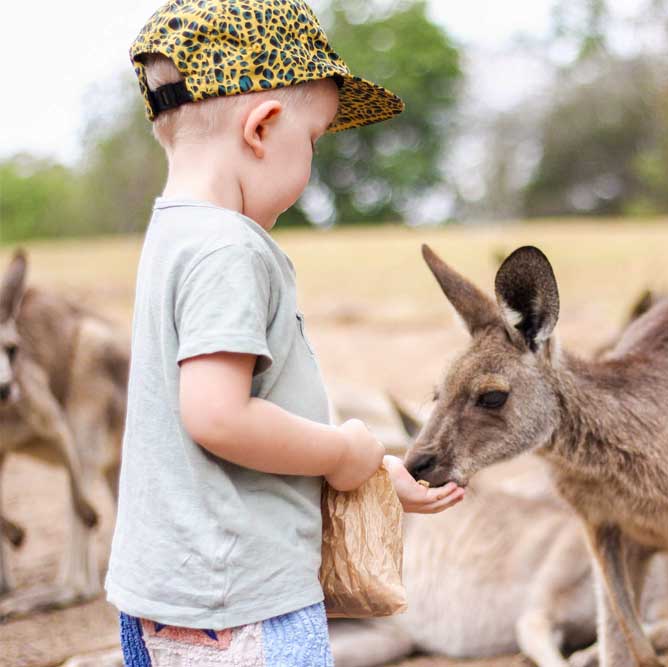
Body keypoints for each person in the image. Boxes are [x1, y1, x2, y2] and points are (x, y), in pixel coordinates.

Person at [106, 1, 464, 665]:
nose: (312, 165)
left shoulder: (173, 234)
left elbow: (227, 443)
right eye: (316, 140)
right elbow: (219, 416)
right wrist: (340, 450)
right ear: (263, 128)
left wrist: (376, 471)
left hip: (169, 596)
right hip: (244, 606)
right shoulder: (229, 249)